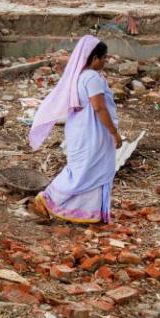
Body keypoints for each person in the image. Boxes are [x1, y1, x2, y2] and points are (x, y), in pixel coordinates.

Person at [29, 36, 123, 224]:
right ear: (94, 58)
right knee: (85, 170)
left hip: (79, 129)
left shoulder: (78, 76)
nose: (105, 62)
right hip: (92, 131)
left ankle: (85, 212)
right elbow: (99, 107)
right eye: (104, 58)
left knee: (85, 168)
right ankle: (48, 198)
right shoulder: (92, 78)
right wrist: (114, 133)